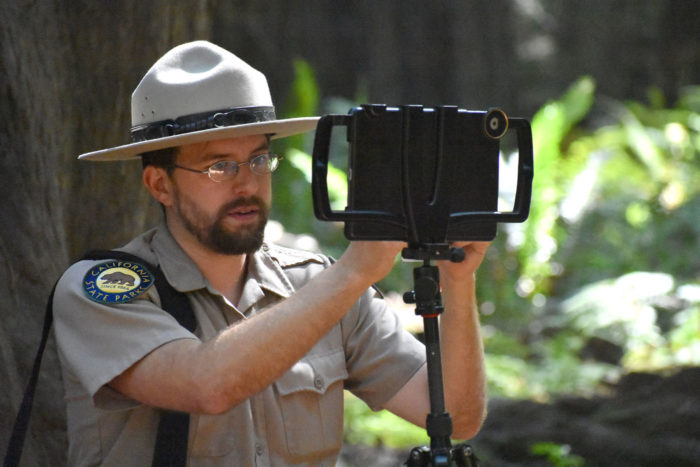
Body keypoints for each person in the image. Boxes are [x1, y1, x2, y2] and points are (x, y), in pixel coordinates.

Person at [53, 40, 488, 466]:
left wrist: (458, 276)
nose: (246, 184)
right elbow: (206, 386)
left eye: (259, 160)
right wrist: (354, 273)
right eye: (218, 166)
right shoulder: (100, 291)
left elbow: (456, 415)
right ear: (160, 185)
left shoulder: (317, 283)